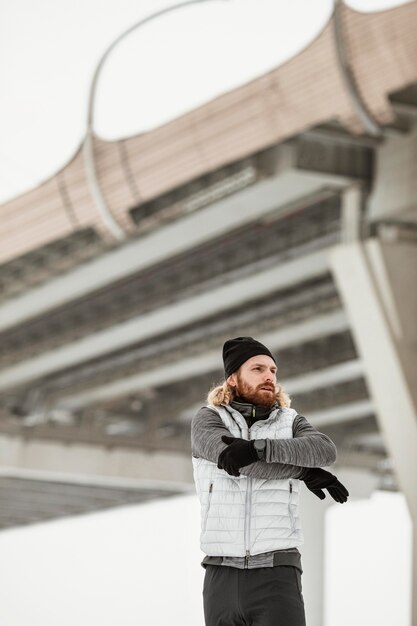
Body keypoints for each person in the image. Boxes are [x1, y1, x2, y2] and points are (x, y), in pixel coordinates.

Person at [191, 336, 349, 626]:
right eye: (258, 369)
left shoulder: (290, 421)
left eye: (273, 371)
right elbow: (235, 462)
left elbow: (324, 450)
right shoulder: (208, 420)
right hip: (221, 576)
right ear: (233, 379)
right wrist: (302, 471)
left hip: (277, 573)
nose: (269, 376)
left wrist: (258, 448)